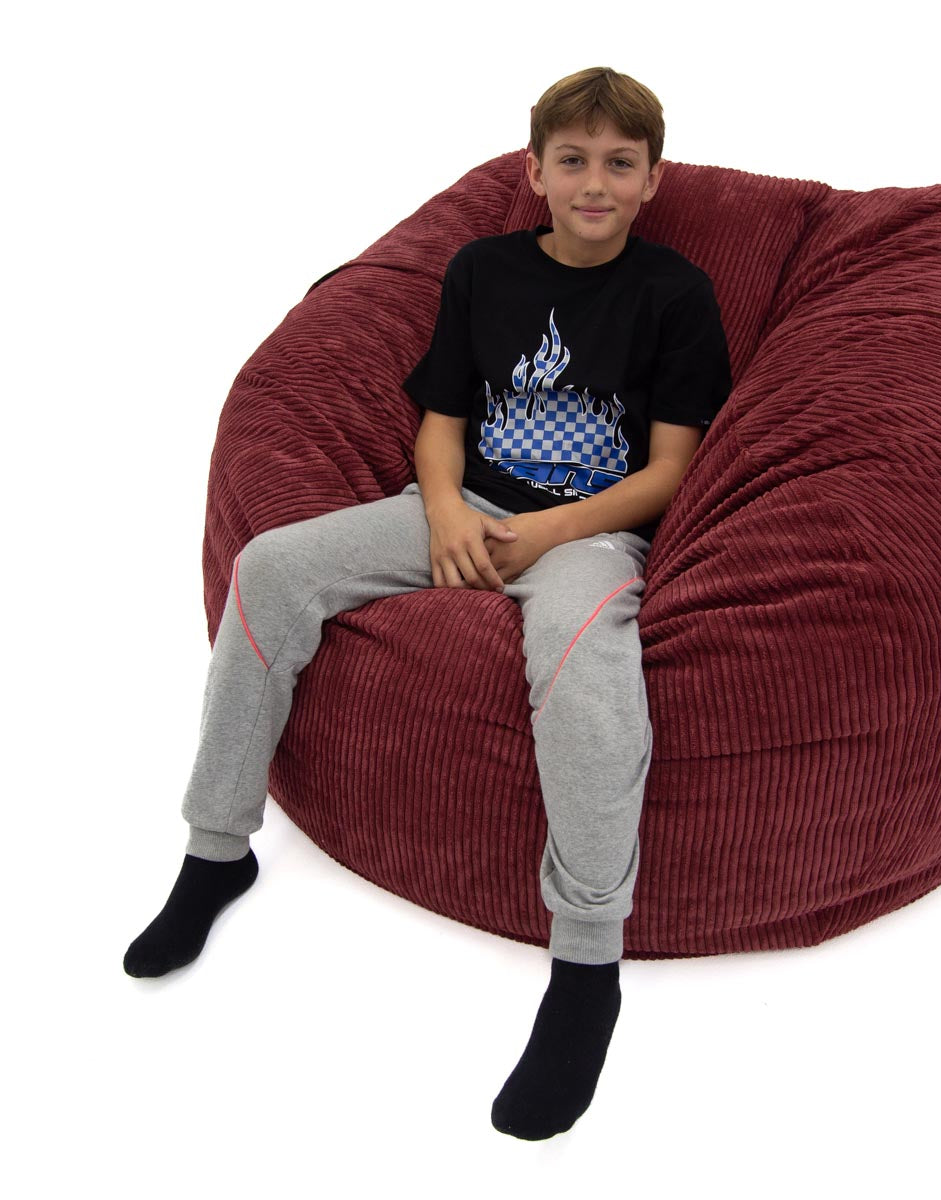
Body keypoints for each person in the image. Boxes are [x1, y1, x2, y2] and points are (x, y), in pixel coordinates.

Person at [123, 65, 732, 1141]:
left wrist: (546, 533)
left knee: (583, 648)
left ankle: (588, 965)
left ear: (651, 181)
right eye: (574, 160)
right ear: (535, 169)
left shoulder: (675, 294)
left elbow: (672, 468)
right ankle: (216, 852)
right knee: (268, 565)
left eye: (619, 164)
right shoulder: (481, 270)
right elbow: (441, 419)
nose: (595, 182)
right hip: (458, 506)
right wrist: (446, 512)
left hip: (588, 537)